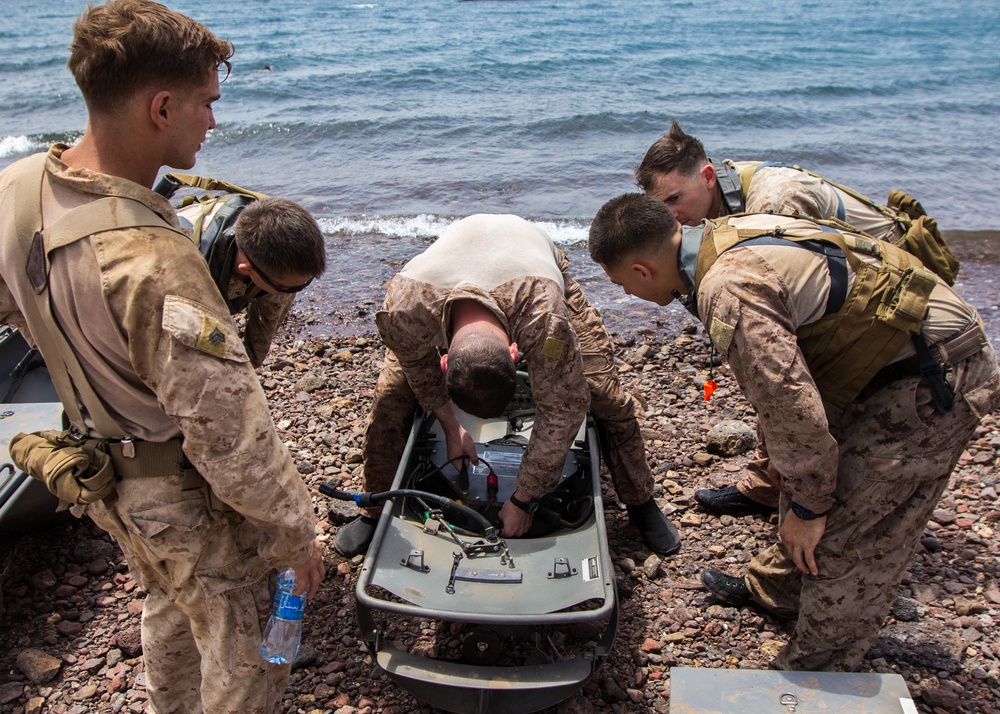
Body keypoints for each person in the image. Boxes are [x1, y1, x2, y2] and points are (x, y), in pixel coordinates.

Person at [0, 2, 324, 712]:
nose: (212, 121)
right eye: (207, 103)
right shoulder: (154, 259)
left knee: (171, 611)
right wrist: (297, 538)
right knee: (247, 659)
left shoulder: (19, 191)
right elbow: (228, 435)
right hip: (180, 493)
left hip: (106, 478)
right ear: (161, 106)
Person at [587, 192, 999, 672]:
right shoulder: (713, 236)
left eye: (620, 284)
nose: (624, 296)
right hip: (879, 353)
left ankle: (817, 669)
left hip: (937, 370)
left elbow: (790, 407)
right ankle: (778, 592)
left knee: (853, 530)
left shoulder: (729, 287)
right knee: (806, 476)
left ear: (642, 270)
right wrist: (800, 485)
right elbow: (790, 402)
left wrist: (809, 506)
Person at [634, 120, 958, 516]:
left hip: (895, 299)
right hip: (849, 293)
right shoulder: (718, 194)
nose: (670, 216)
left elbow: (784, 347)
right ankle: (767, 486)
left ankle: (799, 495)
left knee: (789, 383)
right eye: (659, 206)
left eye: (673, 200)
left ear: (706, 176)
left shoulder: (776, 203)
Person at [334, 213, 680, 557]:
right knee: (390, 401)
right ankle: (375, 509)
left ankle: (640, 501)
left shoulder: (543, 316)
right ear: (442, 357)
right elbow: (418, 370)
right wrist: (452, 427)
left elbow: (563, 407)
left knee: (605, 395)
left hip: (533, 268)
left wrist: (522, 499)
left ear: (516, 352)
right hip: (444, 277)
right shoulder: (405, 311)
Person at [174, 192, 327, 367]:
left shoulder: (279, 237)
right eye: (290, 289)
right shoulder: (188, 270)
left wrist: (247, 369)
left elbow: (264, 328)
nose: (297, 292)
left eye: (306, 283)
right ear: (247, 270)